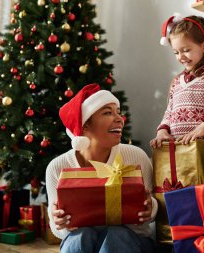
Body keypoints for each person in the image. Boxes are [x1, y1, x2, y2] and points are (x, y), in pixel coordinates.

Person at [46, 84, 157, 253]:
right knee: (80, 237)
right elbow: (60, 231)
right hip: (82, 240)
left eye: (118, 112)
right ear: (84, 125)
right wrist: (59, 221)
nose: (120, 119)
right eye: (108, 112)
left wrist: (151, 208)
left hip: (134, 241)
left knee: (115, 235)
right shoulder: (57, 168)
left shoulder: (136, 157)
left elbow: (151, 216)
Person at [150, 13, 204, 180]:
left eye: (186, 50)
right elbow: (169, 111)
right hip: (179, 149)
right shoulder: (177, 81)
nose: (181, 57)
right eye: (176, 52)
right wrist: (163, 130)